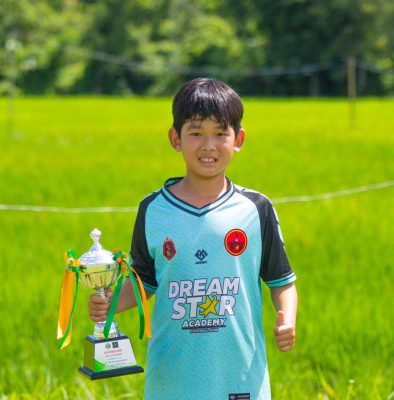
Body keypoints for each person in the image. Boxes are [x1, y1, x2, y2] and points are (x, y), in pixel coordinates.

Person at [89, 78, 298, 400]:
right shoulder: (153, 209)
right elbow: (144, 281)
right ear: (176, 138)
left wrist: (287, 319)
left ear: (239, 139)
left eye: (220, 133)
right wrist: (110, 302)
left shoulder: (256, 208)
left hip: (240, 376)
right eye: (196, 133)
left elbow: (281, 280)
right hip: (172, 379)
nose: (209, 145)